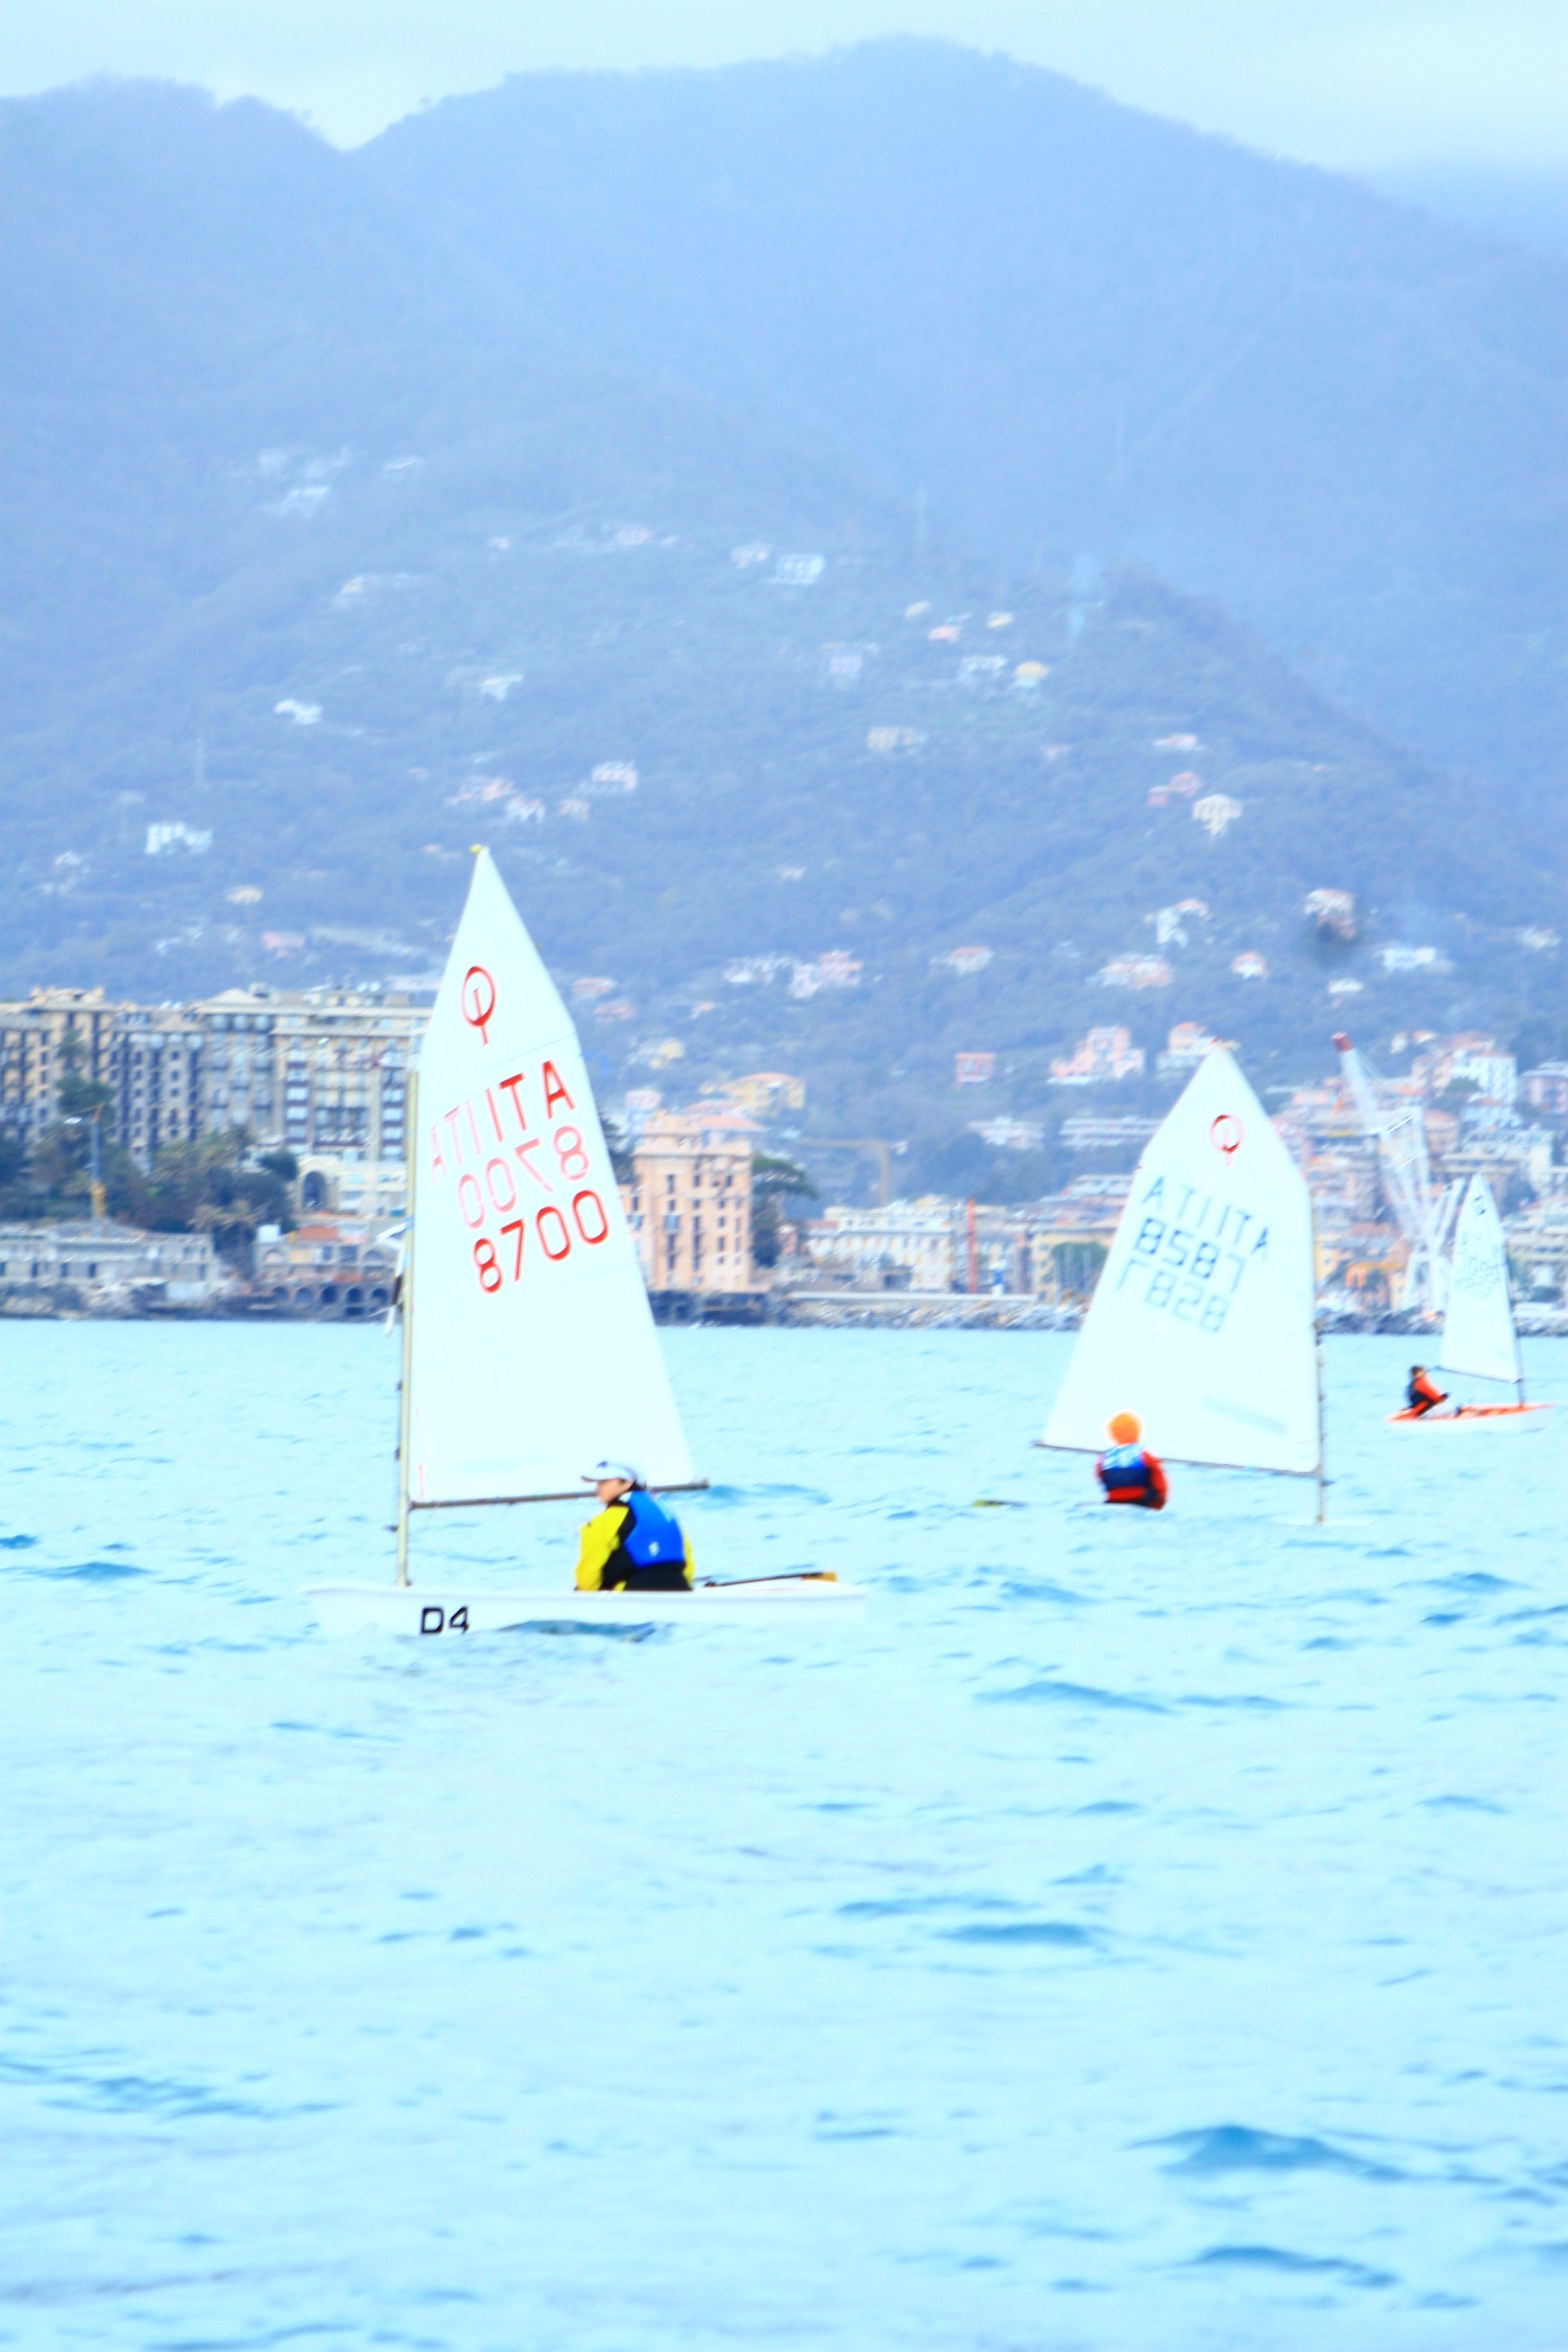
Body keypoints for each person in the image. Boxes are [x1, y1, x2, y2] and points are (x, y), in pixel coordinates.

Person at [574, 1461, 693, 1591]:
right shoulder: (666, 1514)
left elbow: (587, 1579)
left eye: (604, 1482)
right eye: (598, 1483)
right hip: (680, 1587)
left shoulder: (604, 1520)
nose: (598, 1487)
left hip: (631, 1594)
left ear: (627, 1483)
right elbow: (687, 1565)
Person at [1095, 1412, 1168, 1510]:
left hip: (1113, 1500)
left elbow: (1099, 1476)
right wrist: (1159, 1504)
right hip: (1141, 1501)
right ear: (1137, 1430)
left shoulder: (1104, 1457)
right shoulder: (1144, 1455)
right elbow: (1160, 1483)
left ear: (1112, 1433)